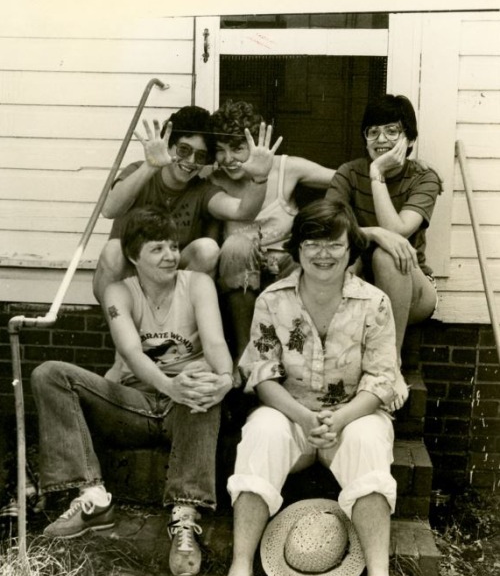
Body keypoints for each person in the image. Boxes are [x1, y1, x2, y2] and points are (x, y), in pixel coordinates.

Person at [216, 198, 402, 576]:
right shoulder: (272, 300)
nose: (323, 253)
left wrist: (340, 417)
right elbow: (262, 375)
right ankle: (241, 565)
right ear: (297, 249)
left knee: (370, 439)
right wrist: (303, 417)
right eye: (312, 243)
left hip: (352, 417)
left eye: (334, 244)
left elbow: (381, 379)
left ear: (351, 248)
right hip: (292, 417)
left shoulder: (375, 303)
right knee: (261, 430)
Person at [31, 206, 235, 576]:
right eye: (157, 249)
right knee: (49, 374)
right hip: (134, 403)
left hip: (185, 407)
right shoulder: (118, 291)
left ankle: (185, 517)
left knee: (201, 386)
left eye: (173, 246)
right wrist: (168, 384)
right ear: (132, 256)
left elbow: (216, 343)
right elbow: (131, 352)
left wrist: (224, 378)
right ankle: (92, 496)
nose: (170, 256)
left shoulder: (197, 284)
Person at [92, 104, 282, 303]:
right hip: (128, 279)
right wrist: (149, 166)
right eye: (184, 150)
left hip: (168, 284)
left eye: (200, 156)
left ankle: (174, 327)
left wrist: (259, 178)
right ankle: (118, 326)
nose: (191, 160)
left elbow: (243, 211)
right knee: (113, 250)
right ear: (169, 146)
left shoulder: (202, 190)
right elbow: (109, 209)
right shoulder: (139, 172)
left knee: (207, 249)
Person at [325, 94, 442, 410]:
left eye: (392, 131)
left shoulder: (424, 178)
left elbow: (399, 231)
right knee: (352, 258)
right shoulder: (349, 173)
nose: (381, 139)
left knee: (387, 255)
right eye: (373, 131)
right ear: (364, 137)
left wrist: (376, 175)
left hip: (412, 291)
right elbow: (327, 230)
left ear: (410, 138)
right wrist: (373, 232)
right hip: (361, 284)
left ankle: (390, 365)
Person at [210, 100, 335, 361]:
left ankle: (296, 359)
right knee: (236, 245)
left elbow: (345, 178)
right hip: (238, 278)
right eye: (220, 150)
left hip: (286, 269)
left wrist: (396, 170)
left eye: (237, 148)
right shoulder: (213, 177)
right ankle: (246, 355)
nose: (229, 159)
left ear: (256, 144)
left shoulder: (285, 168)